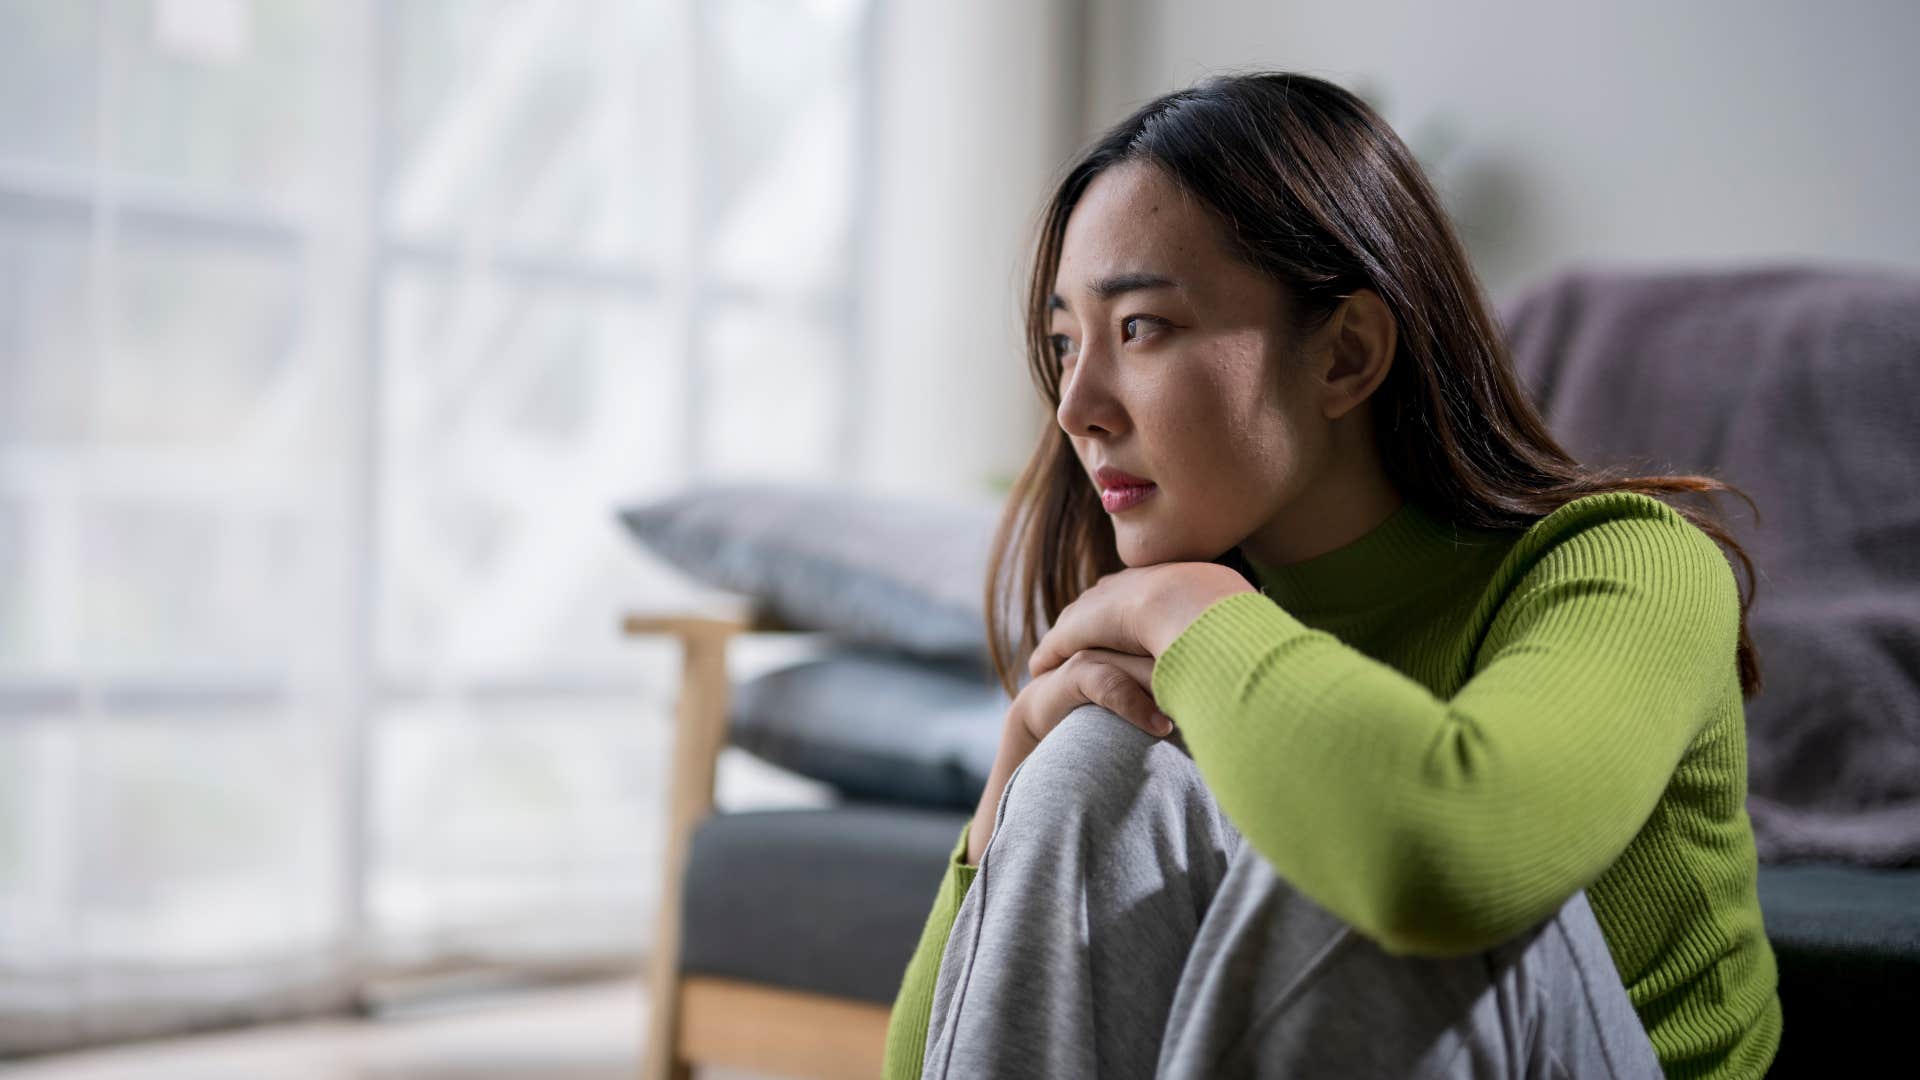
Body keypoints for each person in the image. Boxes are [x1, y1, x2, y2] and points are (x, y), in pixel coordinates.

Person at [880, 72, 1782, 1079]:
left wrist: (1194, 610)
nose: (1075, 406)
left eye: (1139, 327)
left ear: (1346, 354)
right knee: (1092, 760)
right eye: (1063, 343)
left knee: (1340, 843)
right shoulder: (1201, 646)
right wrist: (1009, 787)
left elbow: (1441, 860)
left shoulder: (1633, 564)